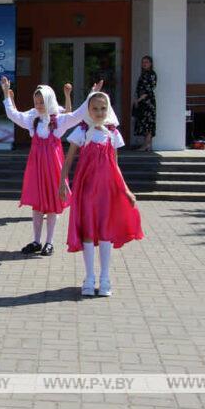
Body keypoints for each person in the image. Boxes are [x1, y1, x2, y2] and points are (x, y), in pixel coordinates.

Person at [0, 77, 101, 256]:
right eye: (36, 102)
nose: (39, 105)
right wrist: (6, 92)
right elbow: (13, 114)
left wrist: (92, 95)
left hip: (53, 168)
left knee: (53, 204)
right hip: (36, 168)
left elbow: (78, 114)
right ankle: (36, 241)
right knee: (38, 205)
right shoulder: (32, 120)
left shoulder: (59, 121)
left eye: (42, 102)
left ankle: (49, 242)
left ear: (49, 100)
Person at [59, 91, 144, 297]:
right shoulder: (81, 131)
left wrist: (126, 190)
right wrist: (62, 182)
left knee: (105, 232)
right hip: (86, 190)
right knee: (88, 232)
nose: (99, 112)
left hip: (107, 191)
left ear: (108, 110)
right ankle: (89, 277)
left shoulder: (113, 134)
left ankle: (105, 278)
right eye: (95, 108)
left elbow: (115, 165)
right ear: (88, 110)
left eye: (103, 108)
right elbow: (68, 160)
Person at [133, 55, 157, 152]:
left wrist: (138, 100)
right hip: (142, 102)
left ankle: (146, 145)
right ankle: (146, 145)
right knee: (143, 123)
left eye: (146, 62)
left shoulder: (151, 74)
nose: (144, 64)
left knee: (148, 124)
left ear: (150, 63)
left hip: (148, 102)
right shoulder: (143, 74)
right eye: (143, 62)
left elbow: (148, 90)